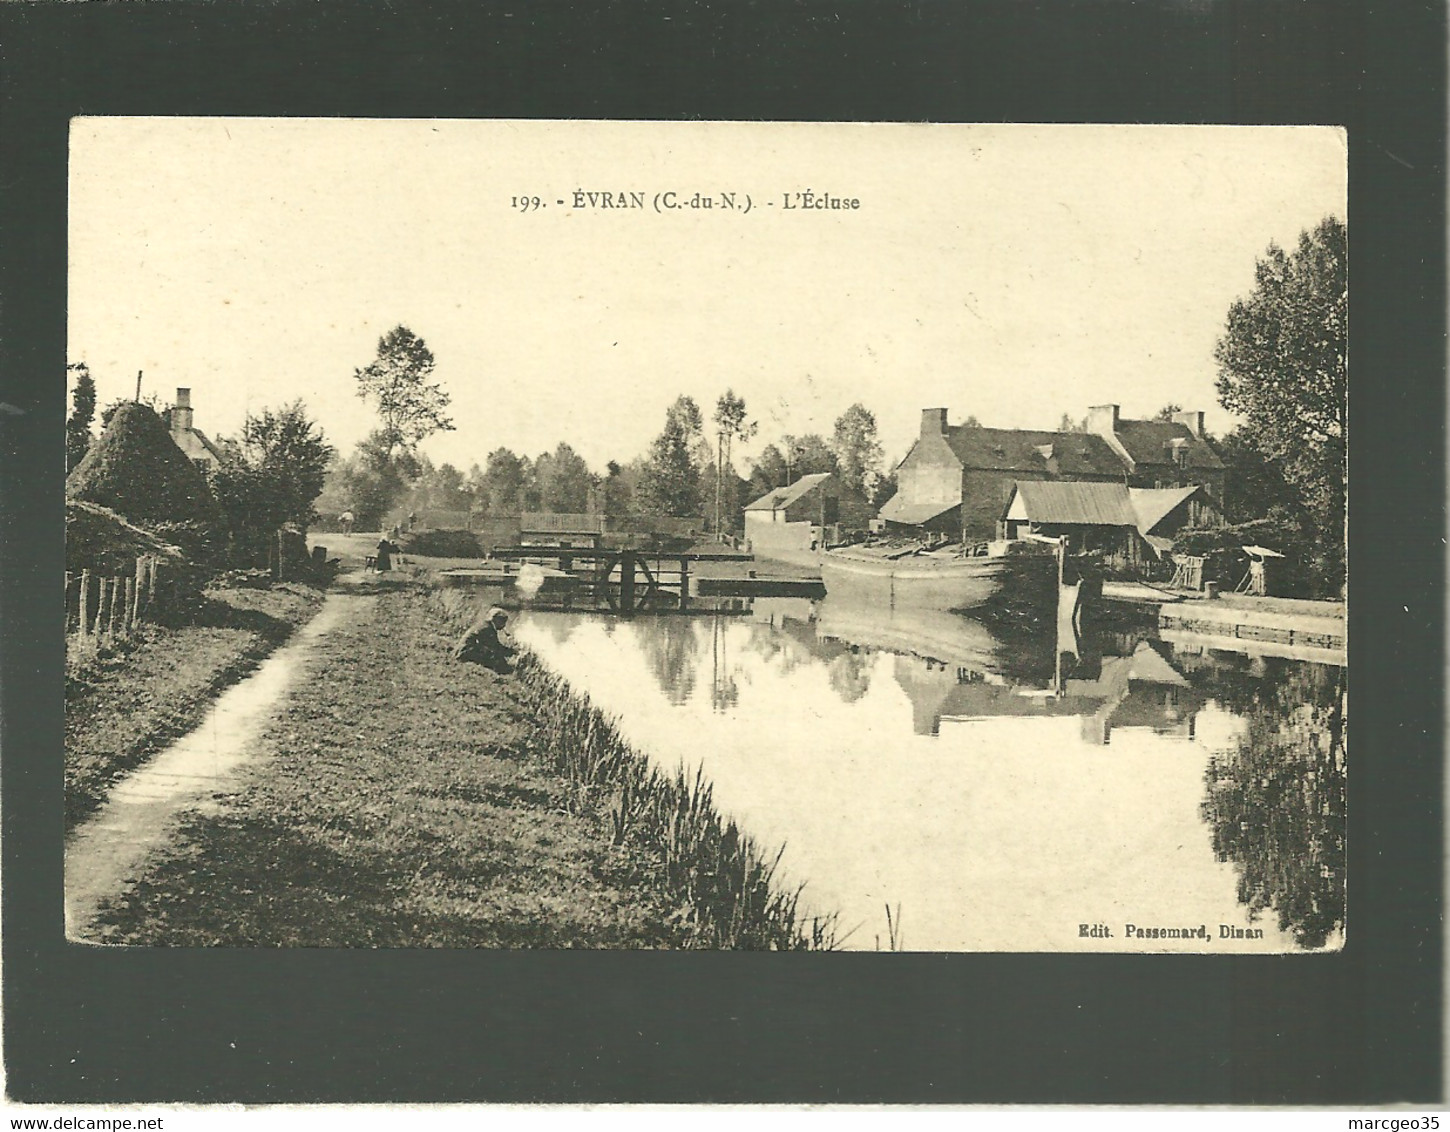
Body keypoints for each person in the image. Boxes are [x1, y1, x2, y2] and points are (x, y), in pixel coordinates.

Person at [453, 605, 518, 674]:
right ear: (497, 619)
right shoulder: (487, 629)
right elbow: (496, 648)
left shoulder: (485, 625)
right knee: (495, 658)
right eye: (503, 621)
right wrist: (513, 652)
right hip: (465, 652)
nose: (504, 625)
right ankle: (507, 671)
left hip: (463, 650)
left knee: (494, 656)